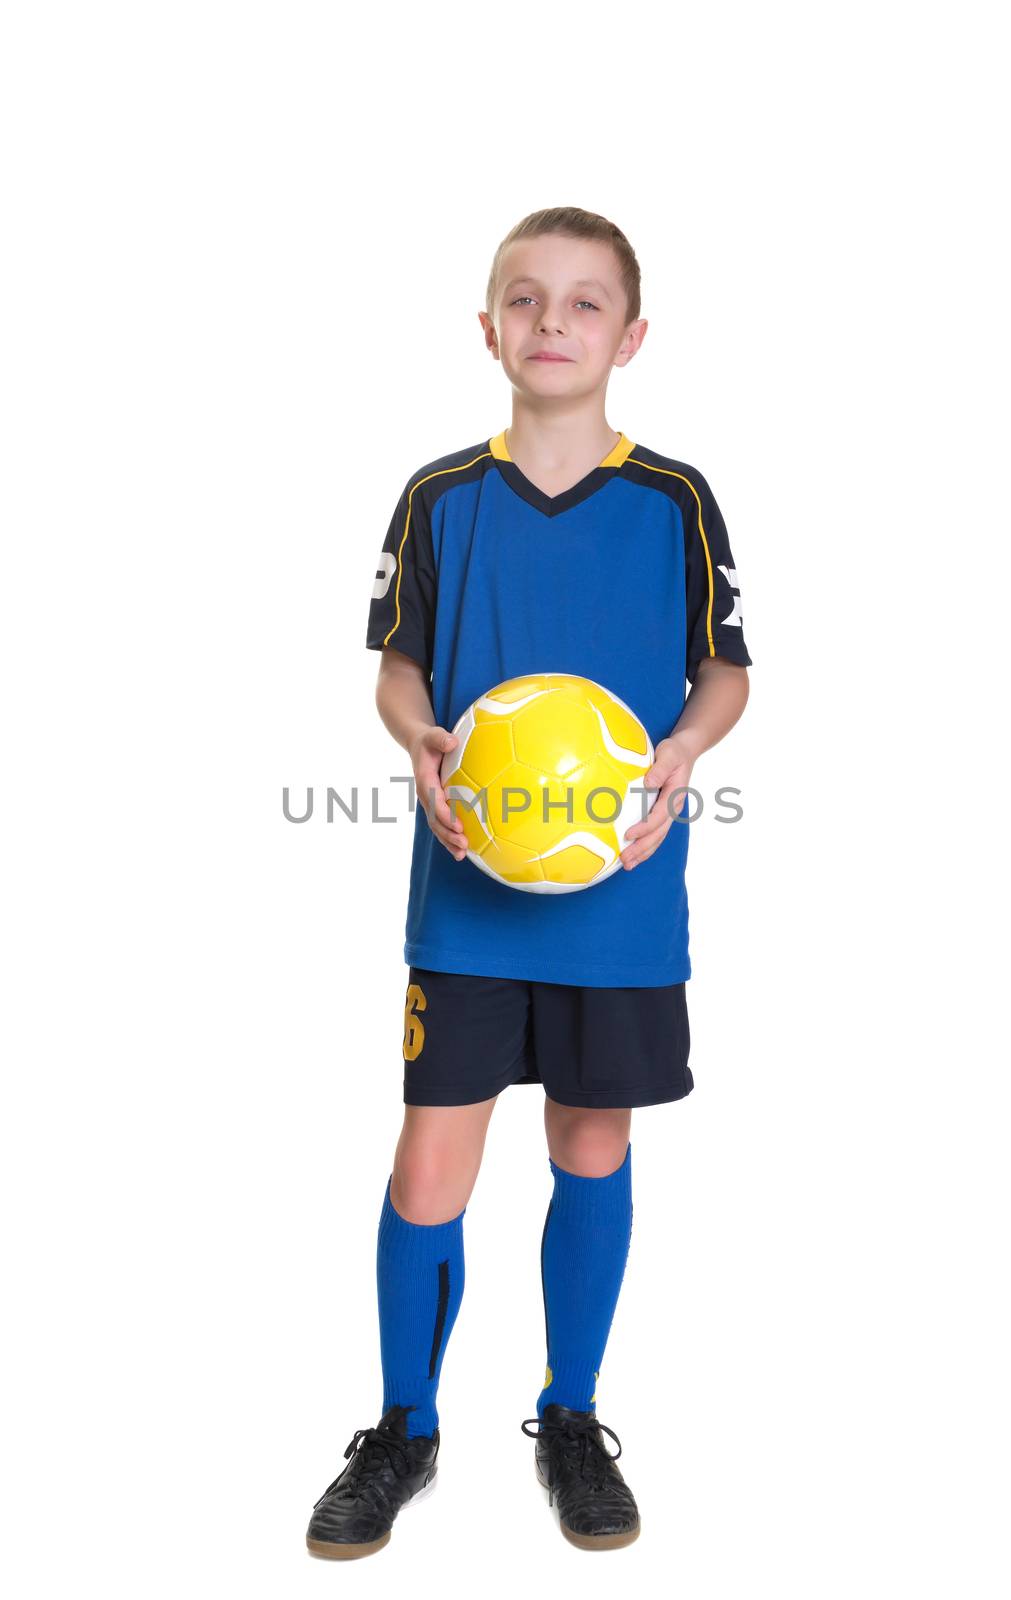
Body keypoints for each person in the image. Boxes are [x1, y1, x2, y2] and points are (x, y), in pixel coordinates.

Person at [305, 206, 752, 1560]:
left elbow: (725, 664)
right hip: (467, 888)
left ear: (630, 335)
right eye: (523, 299)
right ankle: (401, 1427)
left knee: (590, 1145)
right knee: (432, 1160)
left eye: (581, 303)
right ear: (487, 327)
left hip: (617, 890)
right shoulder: (439, 496)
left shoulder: (670, 498)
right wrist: (417, 737)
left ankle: (568, 1416)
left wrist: (682, 745)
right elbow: (397, 662)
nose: (550, 322)